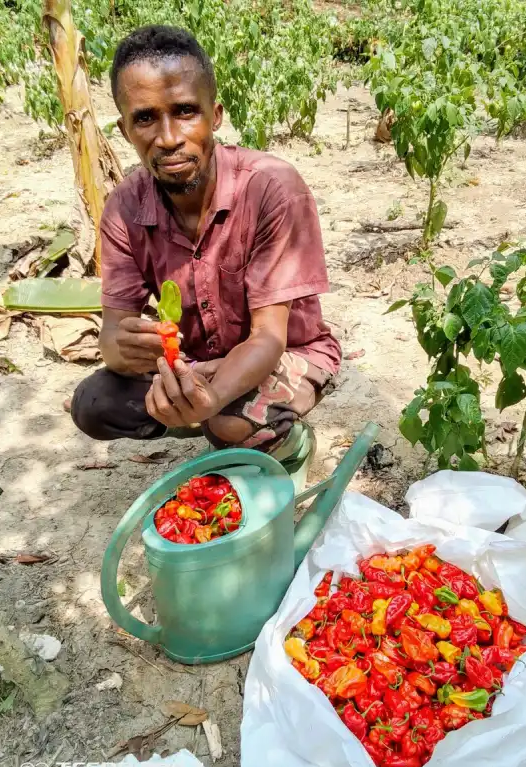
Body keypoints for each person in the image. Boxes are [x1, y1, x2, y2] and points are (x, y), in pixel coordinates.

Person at [71, 25, 341, 472]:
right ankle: (205, 413)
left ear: (214, 115)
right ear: (124, 129)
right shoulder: (124, 209)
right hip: (195, 363)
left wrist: (209, 398)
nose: (168, 137)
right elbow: (112, 337)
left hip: (285, 353)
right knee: (95, 404)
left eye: (185, 111)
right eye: (145, 118)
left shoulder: (272, 189)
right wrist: (127, 347)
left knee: (226, 423)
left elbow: (269, 337)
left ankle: (284, 438)